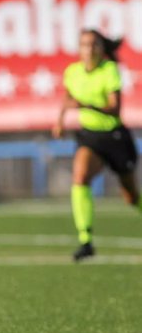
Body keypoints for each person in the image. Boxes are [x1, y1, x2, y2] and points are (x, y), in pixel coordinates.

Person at [53, 29, 141, 262]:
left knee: (131, 196)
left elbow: (115, 108)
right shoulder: (72, 72)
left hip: (114, 137)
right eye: (84, 44)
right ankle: (85, 240)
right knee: (80, 176)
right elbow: (68, 97)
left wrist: (86, 105)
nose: (89, 49)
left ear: (102, 49)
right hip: (89, 137)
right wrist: (60, 121)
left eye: (94, 45)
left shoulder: (109, 70)